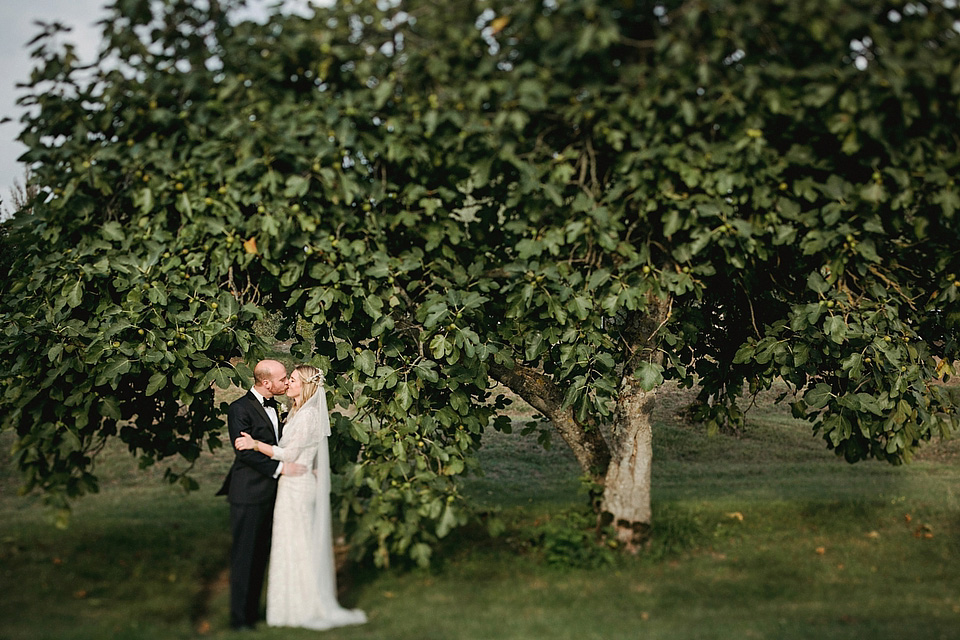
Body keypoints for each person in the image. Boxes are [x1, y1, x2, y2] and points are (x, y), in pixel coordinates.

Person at [235, 364, 367, 630]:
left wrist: (255, 444)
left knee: (299, 546)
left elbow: (289, 454)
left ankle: (303, 606)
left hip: (297, 485)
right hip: (291, 484)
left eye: (292, 379)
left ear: (304, 385)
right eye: (286, 379)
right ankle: (288, 607)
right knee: (291, 545)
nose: (287, 384)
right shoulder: (296, 411)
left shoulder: (306, 416)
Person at [217, 359, 306, 631]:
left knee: (260, 556)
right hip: (248, 493)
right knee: (245, 556)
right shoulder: (239, 409)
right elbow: (244, 453)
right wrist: (281, 468)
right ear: (266, 383)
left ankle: (252, 613)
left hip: (271, 493)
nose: (285, 382)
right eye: (281, 379)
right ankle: (239, 620)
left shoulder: (276, 407)